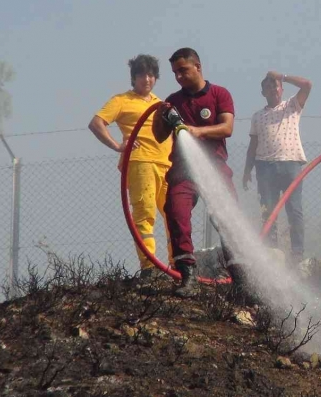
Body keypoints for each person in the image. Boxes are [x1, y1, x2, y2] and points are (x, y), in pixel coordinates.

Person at [152, 47, 239, 297]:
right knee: (176, 214)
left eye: (183, 70)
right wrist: (161, 118)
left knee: (228, 220)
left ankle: (240, 278)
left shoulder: (219, 94)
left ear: (198, 67)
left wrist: (198, 131)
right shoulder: (173, 101)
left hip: (214, 167)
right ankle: (188, 276)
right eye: (175, 73)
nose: (178, 76)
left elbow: (227, 128)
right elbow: (159, 137)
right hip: (183, 170)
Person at [89, 54, 173, 279]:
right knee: (145, 214)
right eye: (142, 74)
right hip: (140, 162)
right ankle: (149, 267)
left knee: (174, 214)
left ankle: (178, 266)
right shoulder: (121, 100)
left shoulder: (161, 103)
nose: (147, 79)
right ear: (134, 77)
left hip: (167, 164)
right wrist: (118, 145)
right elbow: (96, 123)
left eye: (151, 75)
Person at [242, 71, 312, 263]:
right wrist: (247, 170)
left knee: (294, 209)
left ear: (281, 89)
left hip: (291, 164)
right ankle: (272, 251)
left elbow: (307, 84)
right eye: (268, 87)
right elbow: (253, 145)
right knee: (268, 210)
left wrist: (282, 76)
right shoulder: (257, 116)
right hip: (264, 167)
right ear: (263, 92)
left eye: (276, 86)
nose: (273, 89)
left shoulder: (291, 106)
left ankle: (297, 254)